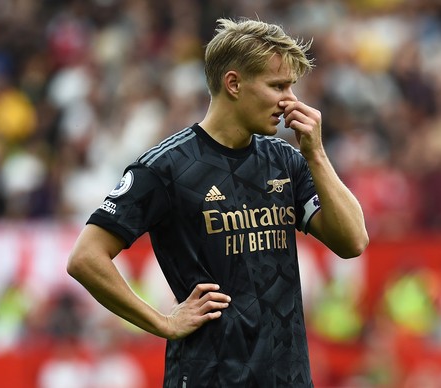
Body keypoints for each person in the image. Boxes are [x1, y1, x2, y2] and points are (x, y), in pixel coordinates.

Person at [67, 17, 369, 387]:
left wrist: (317, 155)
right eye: (277, 86)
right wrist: (162, 322)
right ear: (234, 83)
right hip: (207, 377)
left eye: (291, 86)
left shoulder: (286, 160)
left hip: (286, 377)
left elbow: (353, 241)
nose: (289, 100)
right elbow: (86, 258)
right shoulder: (167, 167)